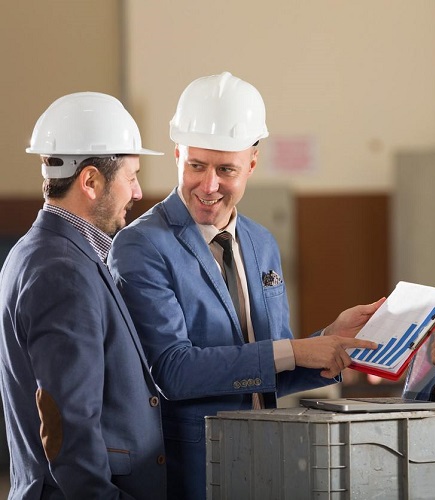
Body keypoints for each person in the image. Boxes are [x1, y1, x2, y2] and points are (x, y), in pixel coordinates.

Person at [108, 72, 381, 499]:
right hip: (192, 474)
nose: (209, 185)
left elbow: (266, 371)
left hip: (265, 463)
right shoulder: (141, 246)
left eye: (226, 169)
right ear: (177, 154)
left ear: (252, 163)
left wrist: (332, 341)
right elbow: (172, 373)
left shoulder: (260, 243)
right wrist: (297, 350)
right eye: (196, 165)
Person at [0, 92, 168, 498]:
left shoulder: (41, 252)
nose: (138, 192)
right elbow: (70, 433)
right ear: (91, 181)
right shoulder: (62, 273)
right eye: (131, 176)